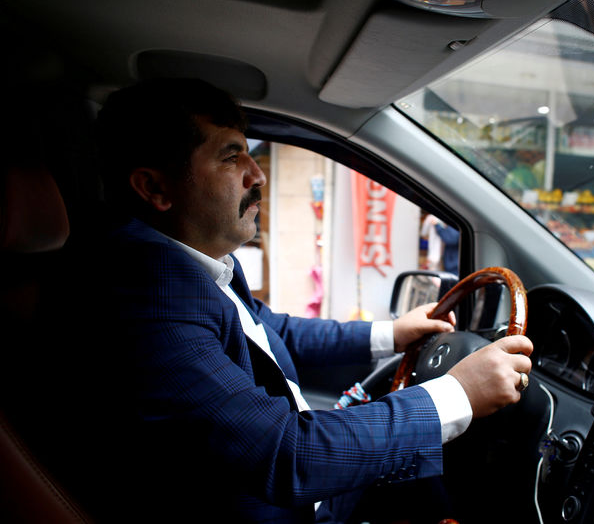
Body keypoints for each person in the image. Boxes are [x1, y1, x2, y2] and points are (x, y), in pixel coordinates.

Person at [58, 78, 533, 523]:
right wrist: (455, 395)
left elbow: (269, 330)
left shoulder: (195, 262)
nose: (256, 174)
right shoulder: (145, 294)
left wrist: (392, 333)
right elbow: (284, 455)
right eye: (230, 158)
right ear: (155, 188)